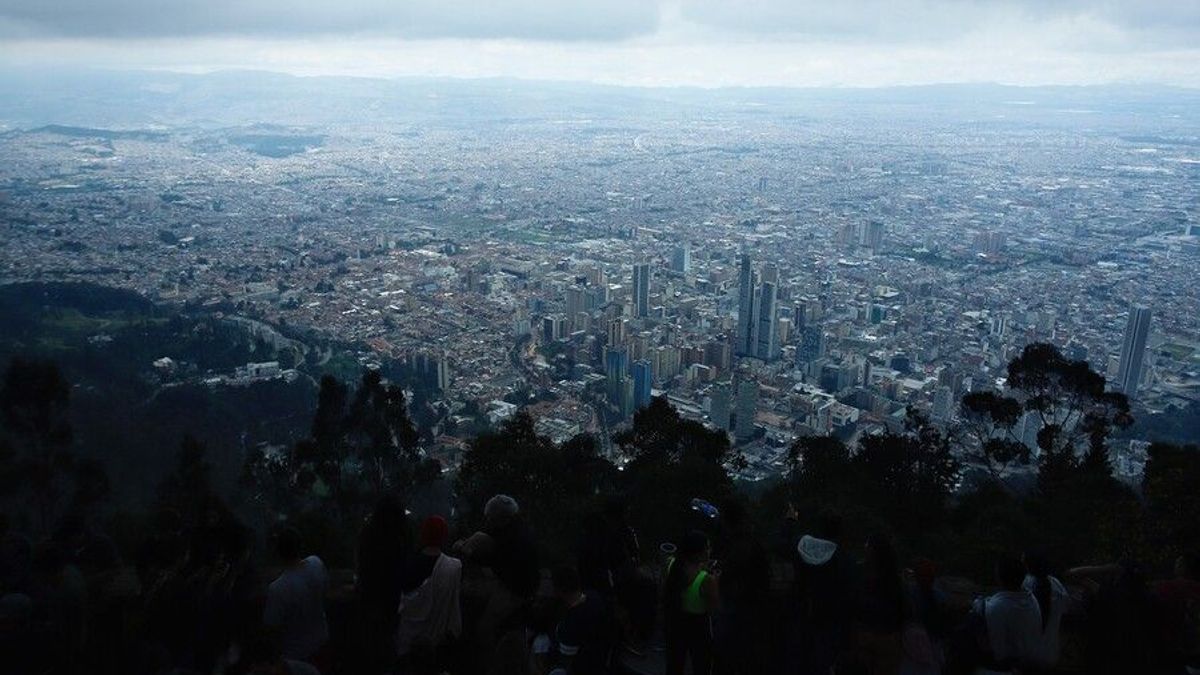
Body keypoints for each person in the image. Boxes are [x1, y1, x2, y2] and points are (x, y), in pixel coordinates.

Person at [787, 512, 856, 675]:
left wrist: (790, 521)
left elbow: (783, 542)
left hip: (804, 613)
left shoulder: (805, 549)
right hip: (831, 618)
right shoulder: (843, 559)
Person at [396, 515, 462, 671]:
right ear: (444, 537)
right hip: (436, 646)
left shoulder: (407, 564)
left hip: (405, 642)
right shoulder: (453, 567)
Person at [356, 493, 411, 673]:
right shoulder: (400, 537)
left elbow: (363, 566)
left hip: (370, 599)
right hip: (392, 600)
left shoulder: (368, 534)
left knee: (372, 647)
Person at [263, 527, 329, 667]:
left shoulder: (278, 589)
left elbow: (271, 628)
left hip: (295, 656)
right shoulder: (316, 563)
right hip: (322, 644)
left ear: (277, 553)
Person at [971, 555, 1041, 674]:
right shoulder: (1032, 600)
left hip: (1004, 667)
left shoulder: (994, 607)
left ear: (999, 577)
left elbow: (998, 651)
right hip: (1029, 663)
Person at [664, 530, 719, 675]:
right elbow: (714, 609)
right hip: (699, 627)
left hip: (674, 621)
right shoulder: (707, 580)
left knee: (674, 664)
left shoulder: (671, 564)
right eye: (707, 547)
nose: (710, 550)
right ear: (698, 553)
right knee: (701, 666)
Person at [548, 565, 614, 675]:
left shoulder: (570, 625)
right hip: (603, 661)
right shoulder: (594, 597)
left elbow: (567, 663)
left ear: (558, 591)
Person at [857, 534, 907, 674]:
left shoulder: (863, 572)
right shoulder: (894, 578)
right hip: (884, 635)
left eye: (868, 546)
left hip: (873, 634)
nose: (865, 549)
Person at [1021, 551, 1070, 671]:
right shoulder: (1056, 584)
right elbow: (1065, 611)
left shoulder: (1024, 584)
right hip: (1051, 653)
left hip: (1027, 654)